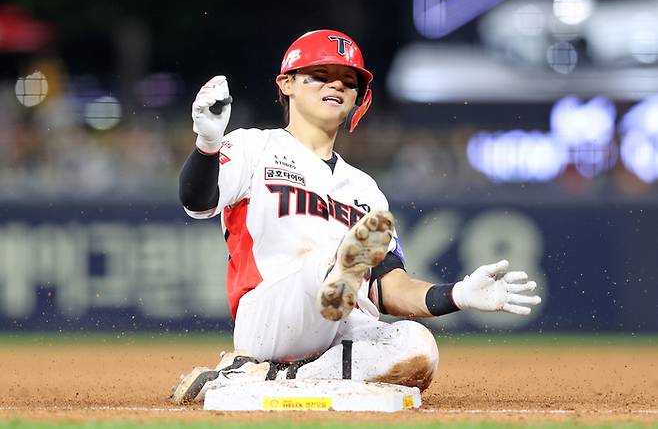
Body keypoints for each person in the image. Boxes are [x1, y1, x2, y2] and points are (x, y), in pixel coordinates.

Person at [172, 29, 541, 404]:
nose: (336, 84)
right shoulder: (254, 145)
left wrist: (458, 294)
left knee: (418, 347)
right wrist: (208, 144)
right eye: (320, 74)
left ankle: (264, 376)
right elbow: (197, 202)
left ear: (357, 98)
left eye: (348, 81)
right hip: (272, 311)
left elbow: (387, 288)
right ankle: (292, 340)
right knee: (328, 257)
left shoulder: (365, 189)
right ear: (287, 84)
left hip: (344, 326)